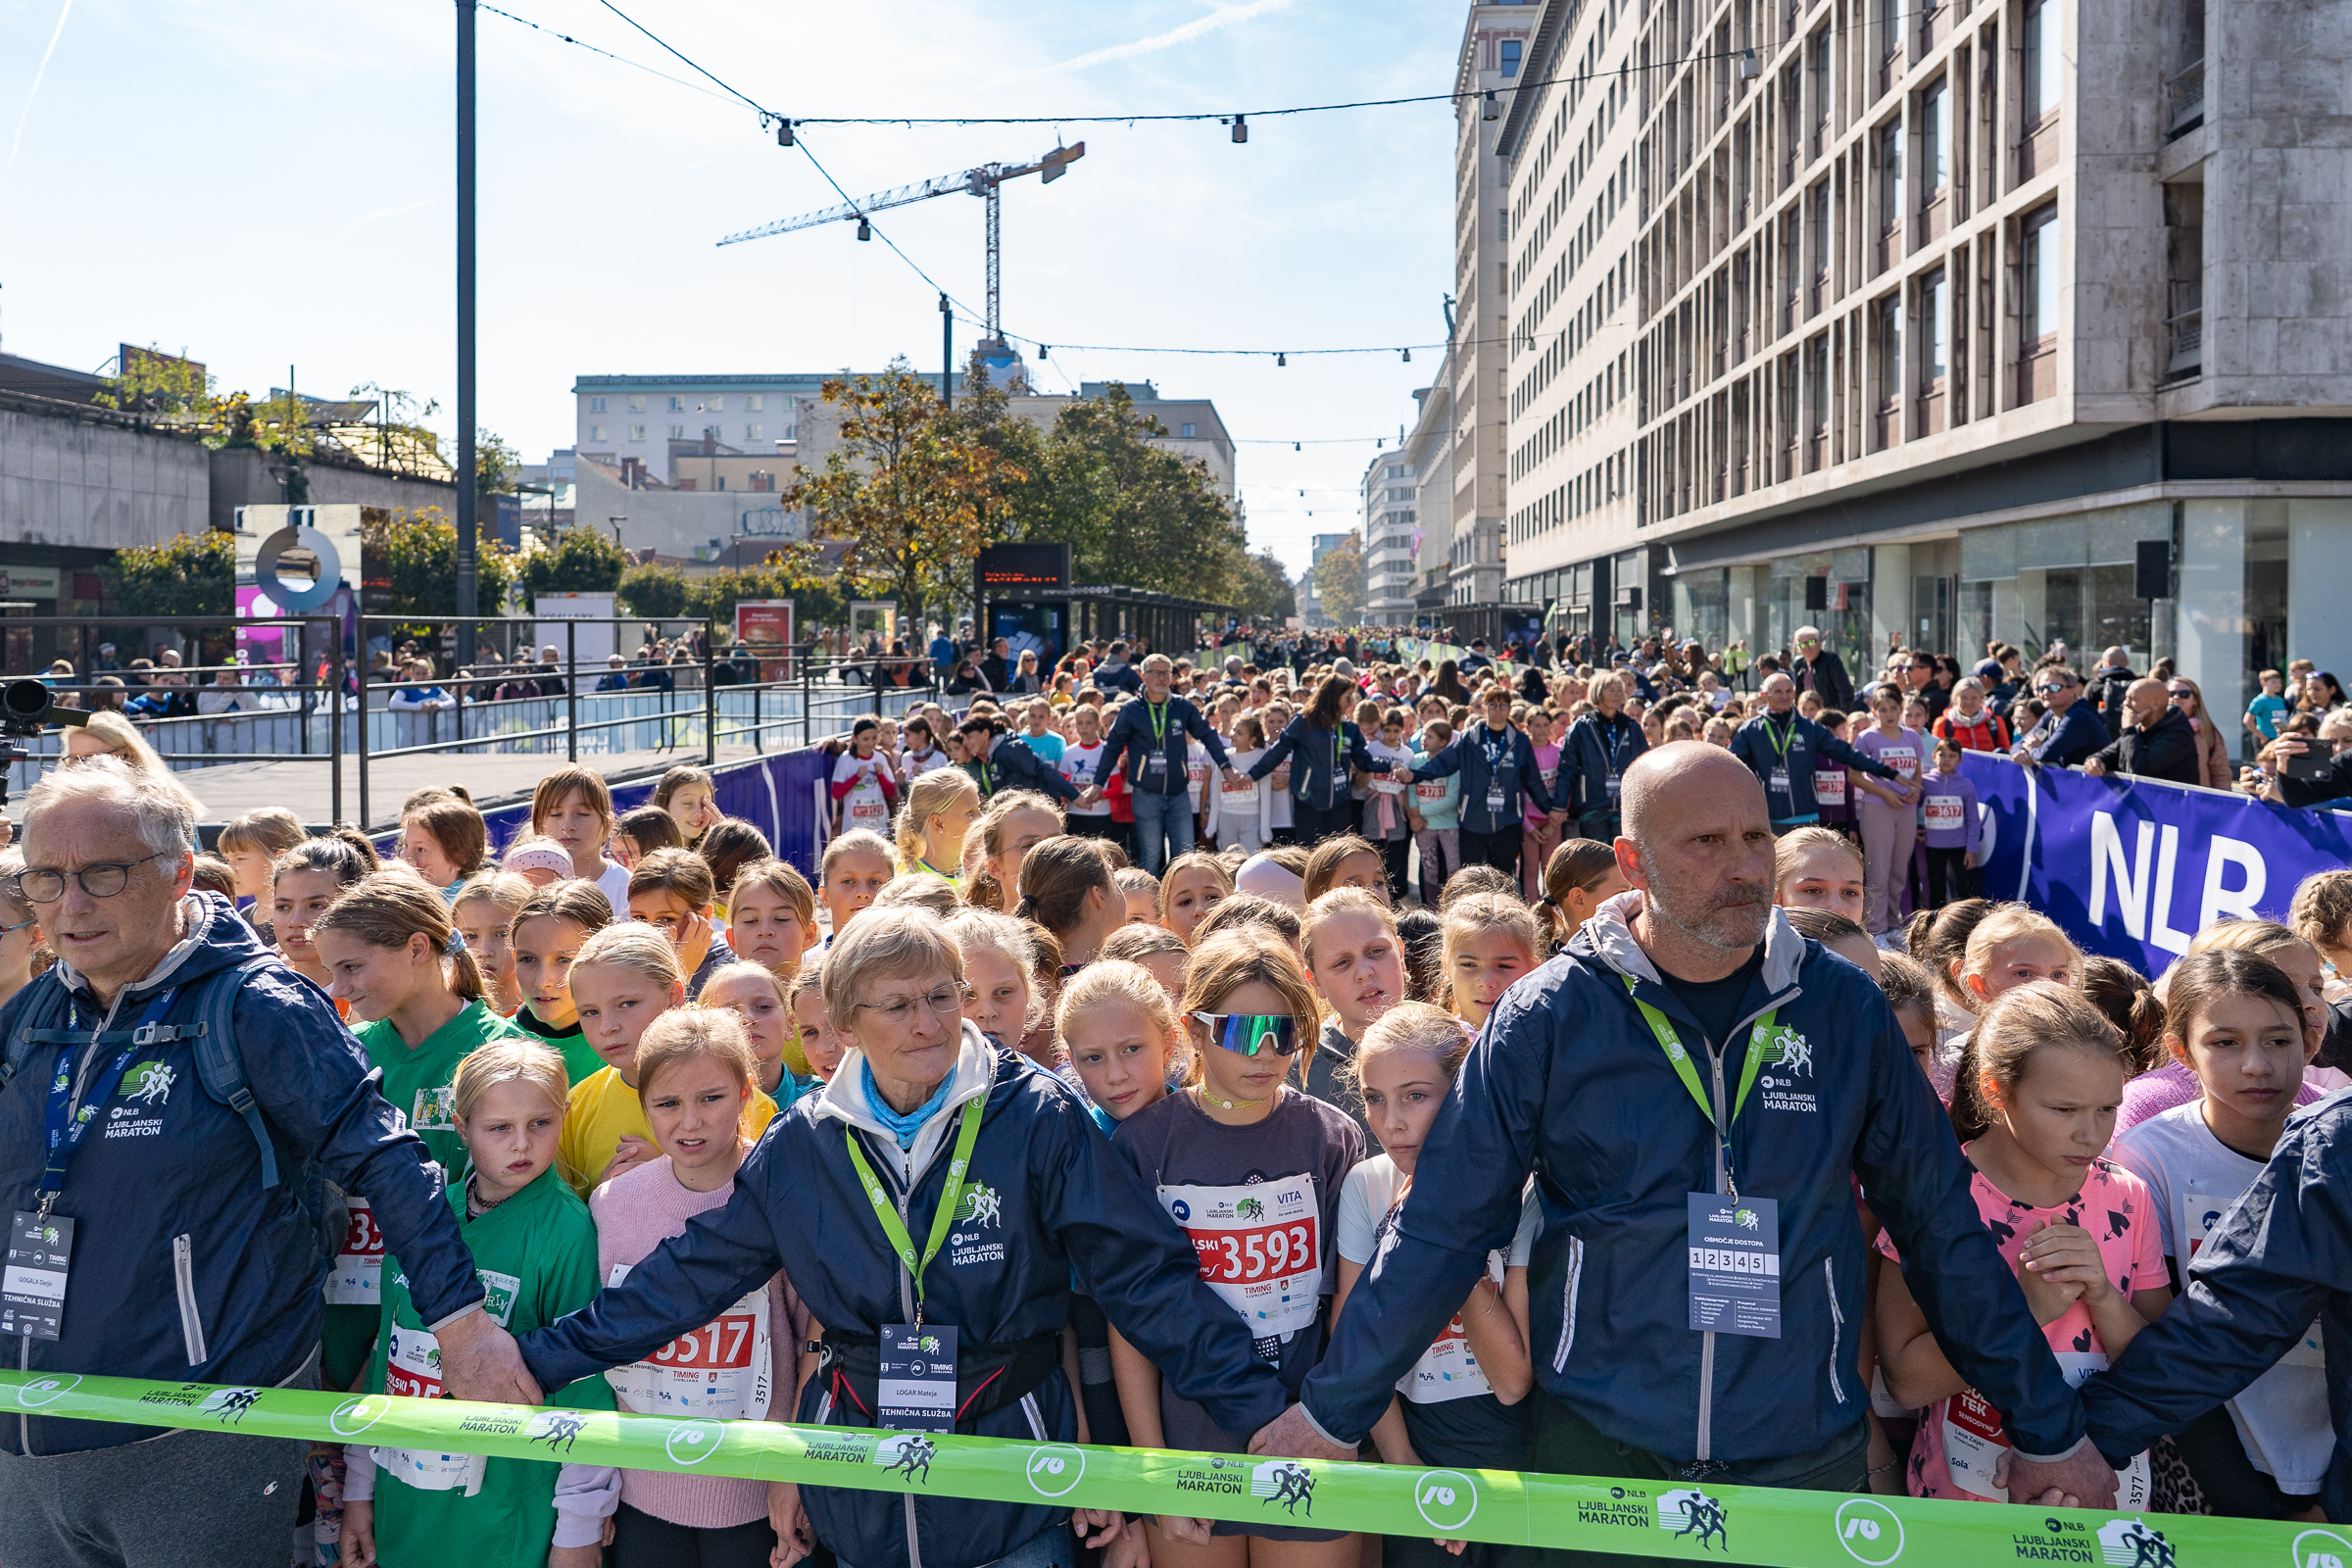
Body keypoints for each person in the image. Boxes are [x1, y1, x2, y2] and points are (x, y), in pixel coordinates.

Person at [1252, 742, 2125, 1514]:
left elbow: (1938, 1224)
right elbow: (1444, 1219)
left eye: (1755, 837)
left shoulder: (1841, 1007)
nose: (1743, 866)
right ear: (1633, 861)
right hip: (1603, 1443)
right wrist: (1333, 1410)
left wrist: (2048, 1429)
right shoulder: (1550, 1013)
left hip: (1797, 1443)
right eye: (1705, 842)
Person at [518, 908, 1299, 1568]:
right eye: (898, 1005)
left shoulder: (1034, 1114)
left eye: (941, 996)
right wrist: (534, 1363)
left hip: (1011, 1481)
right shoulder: (806, 1142)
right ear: (846, 1024)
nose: (928, 1022)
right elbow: (689, 1277)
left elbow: (1146, 1280)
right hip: (863, 1491)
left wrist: (1267, 1417)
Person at [0, 760, 534, 1568]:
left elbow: (387, 1159)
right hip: (30, 1433)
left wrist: (462, 1326)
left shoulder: (257, 1005)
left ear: (179, 873)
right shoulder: (34, 1016)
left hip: (193, 1432)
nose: (70, 904)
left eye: (103, 874)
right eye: (46, 878)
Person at [1109, 933, 1366, 1568]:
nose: (1267, 1052)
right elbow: (1131, 1323)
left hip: (1311, 1439)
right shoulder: (1142, 1146)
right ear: (1193, 1030)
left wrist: (1338, 1427)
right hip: (1190, 1448)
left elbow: (1352, 1315)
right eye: (1243, 1031)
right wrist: (1153, 1468)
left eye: (1285, 1031)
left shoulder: (1333, 1137)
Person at [1874, 982, 2170, 1504]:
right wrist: (2026, 1309)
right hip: (1966, 1509)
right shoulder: (1934, 1197)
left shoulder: (2128, 1195)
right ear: (1995, 1089)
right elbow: (1906, 1380)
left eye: (2107, 1109)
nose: (2091, 1134)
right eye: (2064, 1110)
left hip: (2105, 1499)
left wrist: (2103, 1296)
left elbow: (2162, 1366)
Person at [338, 1041, 618, 1568]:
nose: (522, 1143)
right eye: (499, 1128)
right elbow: (385, 1361)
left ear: (564, 1116)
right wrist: (359, 1489)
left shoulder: (568, 1232)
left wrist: (578, 1530)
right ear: (461, 1128)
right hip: (403, 1505)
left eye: (541, 1123)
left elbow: (589, 1395)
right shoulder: (425, 1222)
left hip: (504, 1519)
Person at [2109, 951, 2332, 1518]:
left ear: (2309, 1042)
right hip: (2208, 1460)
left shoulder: (2337, 1147)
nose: (2257, 1065)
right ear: (2181, 1050)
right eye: (2225, 1043)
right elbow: (2161, 1339)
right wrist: (2238, 1496)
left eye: (2278, 1041)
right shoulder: (2148, 1159)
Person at [589, 1009, 806, 1563]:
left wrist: (791, 1472)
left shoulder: (788, 1196)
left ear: (746, 1092)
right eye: (667, 1104)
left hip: (757, 1489)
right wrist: (596, 1486)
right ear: (643, 1106)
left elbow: (814, 1344)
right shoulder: (613, 1205)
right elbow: (597, 1345)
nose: (690, 1122)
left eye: (711, 1098)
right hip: (640, 1488)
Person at [1334, 1003, 1538, 1568]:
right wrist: (1404, 1464)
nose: (1391, 1121)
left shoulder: (1524, 1189)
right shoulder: (1365, 1186)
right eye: (1374, 1098)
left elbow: (1513, 1382)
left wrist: (1442, 1237)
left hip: (1510, 1446)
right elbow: (1354, 1348)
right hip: (1410, 1443)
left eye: (1415, 1096)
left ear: (1464, 1093)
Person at [1405, 687, 1565, 881]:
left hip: (1507, 822)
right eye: (1493, 704)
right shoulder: (1469, 738)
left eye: (1503, 705)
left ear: (1509, 708)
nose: (1498, 709)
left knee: (1502, 879)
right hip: (1473, 822)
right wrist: (1413, 776)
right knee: (1473, 880)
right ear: (1484, 707)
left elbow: (1533, 781)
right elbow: (1443, 763)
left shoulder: (1520, 741)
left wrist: (1552, 809)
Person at [1731, 672, 1909, 833]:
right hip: (1768, 818)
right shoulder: (1750, 730)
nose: (1784, 696)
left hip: (1806, 817)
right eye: (1778, 692)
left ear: (1794, 693)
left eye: (1789, 691)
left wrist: (1890, 773)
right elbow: (1731, 764)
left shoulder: (1810, 728)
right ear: (1764, 695)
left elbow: (1848, 754)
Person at [1298, 888, 1403, 1142]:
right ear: (1314, 981)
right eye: (1342, 963)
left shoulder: (1455, 1046)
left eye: (1376, 951)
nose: (1364, 972)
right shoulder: (1299, 1077)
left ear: (1401, 952)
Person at [1250, 675, 1389, 846]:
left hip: (1340, 803)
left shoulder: (1350, 729)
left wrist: (1391, 765)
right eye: (1347, 697)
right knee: (1311, 854)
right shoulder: (1304, 722)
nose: (1351, 702)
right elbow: (1278, 751)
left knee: (1336, 855)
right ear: (1334, 696)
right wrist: (1252, 775)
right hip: (1308, 801)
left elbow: (1365, 762)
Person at [507, 880, 615, 1086]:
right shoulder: (493, 1042)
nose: (543, 981)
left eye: (564, 960)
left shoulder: (628, 1046)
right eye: (527, 959)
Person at [1559, 672, 1645, 842]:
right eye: (1610, 690)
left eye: (1619, 690)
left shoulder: (1631, 727)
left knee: (1621, 855)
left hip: (1623, 806)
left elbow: (1643, 766)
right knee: (1597, 856)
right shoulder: (1582, 726)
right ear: (1598, 693)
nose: (1616, 694)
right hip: (1593, 805)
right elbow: (1566, 768)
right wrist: (1559, 806)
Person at [2083, 677, 2202, 785]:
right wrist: (2095, 761)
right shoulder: (2139, 728)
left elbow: (2140, 769)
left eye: (2133, 699)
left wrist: (2128, 729)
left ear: (2155, 703)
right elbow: (2110, 753)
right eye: (2126, 698)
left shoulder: (2178, 735)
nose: (2125, 703)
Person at [1918, 737, 1983, 908]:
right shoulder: (1924, 782)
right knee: (1937, 890)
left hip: (1960, 846)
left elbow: (1973, 820)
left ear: (1960, 759)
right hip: (1933, 846)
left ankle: (1967, 921)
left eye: (1952, 755)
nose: (1946, 759)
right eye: (1942, 754)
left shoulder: (1966, 785)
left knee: (1964, 889)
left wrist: (1971, 849)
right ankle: (1936, 922)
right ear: (1934, 756)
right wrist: (1917, 827)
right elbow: (1914, 807)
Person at [897, 766, 983, 893]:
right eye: (970, 812)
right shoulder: (912, 887)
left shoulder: (977, 868)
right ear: (938, 823)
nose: (981, 817)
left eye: (979, 808)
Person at [2011, 666, 2109, 770]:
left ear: (2072, 690)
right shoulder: (2051, 714)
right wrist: (2018, 752)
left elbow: (2046, 754)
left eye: (2054, 687)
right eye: (2042, 688)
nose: (2045, 692)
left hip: (2093, 779)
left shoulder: (2078, 717)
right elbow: (2020, 744)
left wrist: (2031, 750)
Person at [1789, 624, 1854, 711]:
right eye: (1802, 644)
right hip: (1806, 714)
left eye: (1811, 643)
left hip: (1828, 714)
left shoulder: (1831, 661)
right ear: (1797, 648)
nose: (1807, 647)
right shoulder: (1799, 664)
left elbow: (1845, 691)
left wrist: (1842, 715)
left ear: (1819, 643)